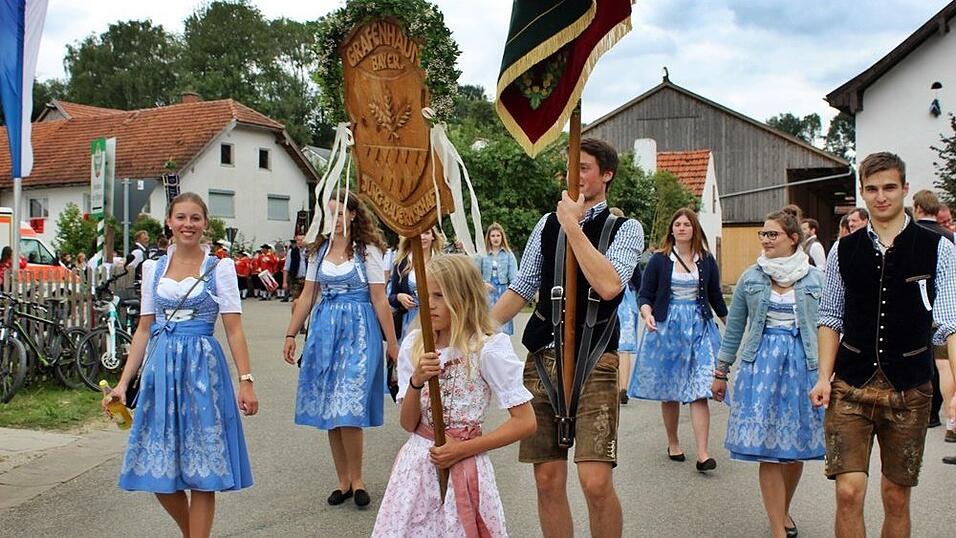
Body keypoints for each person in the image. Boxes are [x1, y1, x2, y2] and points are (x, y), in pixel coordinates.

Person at [492, 138, 644, 538]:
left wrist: (573, 226)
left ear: (607, 174)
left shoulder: (626, 229)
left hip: (596, 358)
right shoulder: (546, 223)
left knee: (595, 482)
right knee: (547, 480)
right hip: (544, 357)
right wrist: (475, 331)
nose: (574, 175)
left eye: (584, 167)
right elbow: (522, 287)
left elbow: (609, 285)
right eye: (571, 167)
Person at [811, 152, 956, 537]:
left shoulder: (938, 248)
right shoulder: (842, 250)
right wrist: (824, 376)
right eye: (872, 189)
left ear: (905, 189)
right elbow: (830, 316)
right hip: (851, 385)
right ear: (862, 191)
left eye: (889, 187)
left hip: (909, 389)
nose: (881, 196)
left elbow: (950, 324)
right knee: (848, 491)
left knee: (895, 496)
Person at [104, 192, 258, 538]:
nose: (188, 224)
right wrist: (123, 384)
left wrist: (246, 380)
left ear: (205, 224)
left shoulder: (220, 268)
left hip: (203, 370)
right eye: (181, 217)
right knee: (157, 469)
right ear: (169, 222)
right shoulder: (153, 268)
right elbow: (144, 329)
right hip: (161, 371)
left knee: (203, 471)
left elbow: (234, 329)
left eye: (195, 218)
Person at [371, 254, 536, 536]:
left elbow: (525, 422)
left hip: (465, 462)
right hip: (417, 469)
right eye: (425, 295)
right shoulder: (415, 344)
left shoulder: (486, 348)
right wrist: (416, 382)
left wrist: (463, 449)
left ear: (464, 297)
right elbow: (408, 424)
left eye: (439, 295)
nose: (429, 304)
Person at [282, 191, 399, 508]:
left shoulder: (367, 251)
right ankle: (343, 480)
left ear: (352, 215)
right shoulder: (317, 252)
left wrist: (392, 343)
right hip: (324, 333)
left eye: (339, 213)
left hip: (358, 332)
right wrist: (291, 333)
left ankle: (358, 479)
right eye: (329, 214)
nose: (333, 220)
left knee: (348, 405)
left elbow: (379, 299)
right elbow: (308, 296)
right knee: (330, 408)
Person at [713, 206, 824, 538]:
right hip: (760, 368)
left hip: (803, 368)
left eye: (772, 234)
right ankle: (777, 528)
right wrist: (721, 371)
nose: (765, 239)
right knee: (768, 451)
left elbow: (829, 329)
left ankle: (783, 508)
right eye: (763, 233)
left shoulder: (815, 278)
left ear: (793, 239)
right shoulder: (751, 278)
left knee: (794, 449)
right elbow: (734, 329)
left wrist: (829, 373)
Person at [628, 208, 726, 471]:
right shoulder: (659, 260)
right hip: (668, 328)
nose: (682, 228)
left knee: (701, 389)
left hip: (699, 327)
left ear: (694, 229)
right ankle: (673, 442)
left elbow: (715, 296)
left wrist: (731, 327)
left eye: (687, 224)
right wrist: (647, 313)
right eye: (678, 224)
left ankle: (703, 454)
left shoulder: (706, 260)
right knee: (670, 391)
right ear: (671, 229)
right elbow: (645, 294)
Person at [912, 189, 956, 438]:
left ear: (917, 208)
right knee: (945, 365)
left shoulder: (912, 235)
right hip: (946, 308)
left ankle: (928, 412)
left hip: (919, 308)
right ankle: (946, 418)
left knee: (930, 363)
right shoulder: (950, 237)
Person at [388, 228, 444, 340]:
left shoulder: (443, 262)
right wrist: (399, 297)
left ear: (433, 236)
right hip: (410, 321)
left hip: (437, 318)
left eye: (426, 233)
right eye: (418, 234)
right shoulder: (401, 264)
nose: (422, 237)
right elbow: (391, 297)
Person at [477, 223, 519, 335]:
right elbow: (475, 274)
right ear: (489, 238)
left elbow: (514, 277)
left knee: (503, 320)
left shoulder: (509, 255)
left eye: (498, 235)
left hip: (503, 290)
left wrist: (513, 293)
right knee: (487, 320)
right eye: (493, 236)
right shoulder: (482, 254)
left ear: (502, 237)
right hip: (487, 291)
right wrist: (483, 284)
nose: (495, 238)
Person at [283, 234, 308, 308]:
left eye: (301, 240)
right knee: (296, 301)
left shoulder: (309, 251)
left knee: (306, 301)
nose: (299, 242)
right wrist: (284, 282)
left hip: (307, 280)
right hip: (296, 279)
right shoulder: (292, 252)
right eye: (298, 240)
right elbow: (286, 267)